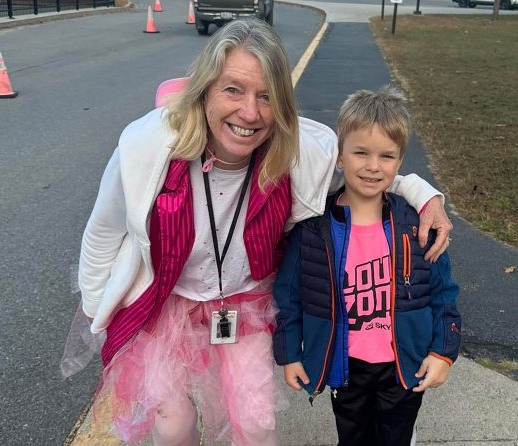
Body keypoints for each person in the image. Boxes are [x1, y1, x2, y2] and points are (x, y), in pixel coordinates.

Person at [66, 19, 453, 446]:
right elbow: (103, 231)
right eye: (233, 89)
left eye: (266, 97)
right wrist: (94, 302)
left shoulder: (301, 151)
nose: (249, 113)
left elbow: (368, 172)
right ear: (206, 90)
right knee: (172, 422)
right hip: (168, 303)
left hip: (244, 304)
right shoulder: (146, 148)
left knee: (255, 421)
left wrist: (426, 195)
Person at [272, 86, 462, 446]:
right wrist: (290, 354)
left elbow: (443, 293)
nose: (373, 166)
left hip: (402, 366)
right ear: (340, 157)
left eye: (386, 156)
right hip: (345, 368)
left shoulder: (416, 225)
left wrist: (443, 352)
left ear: (400, 160)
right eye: (361, 152)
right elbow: (289, 296)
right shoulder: (314, 228)